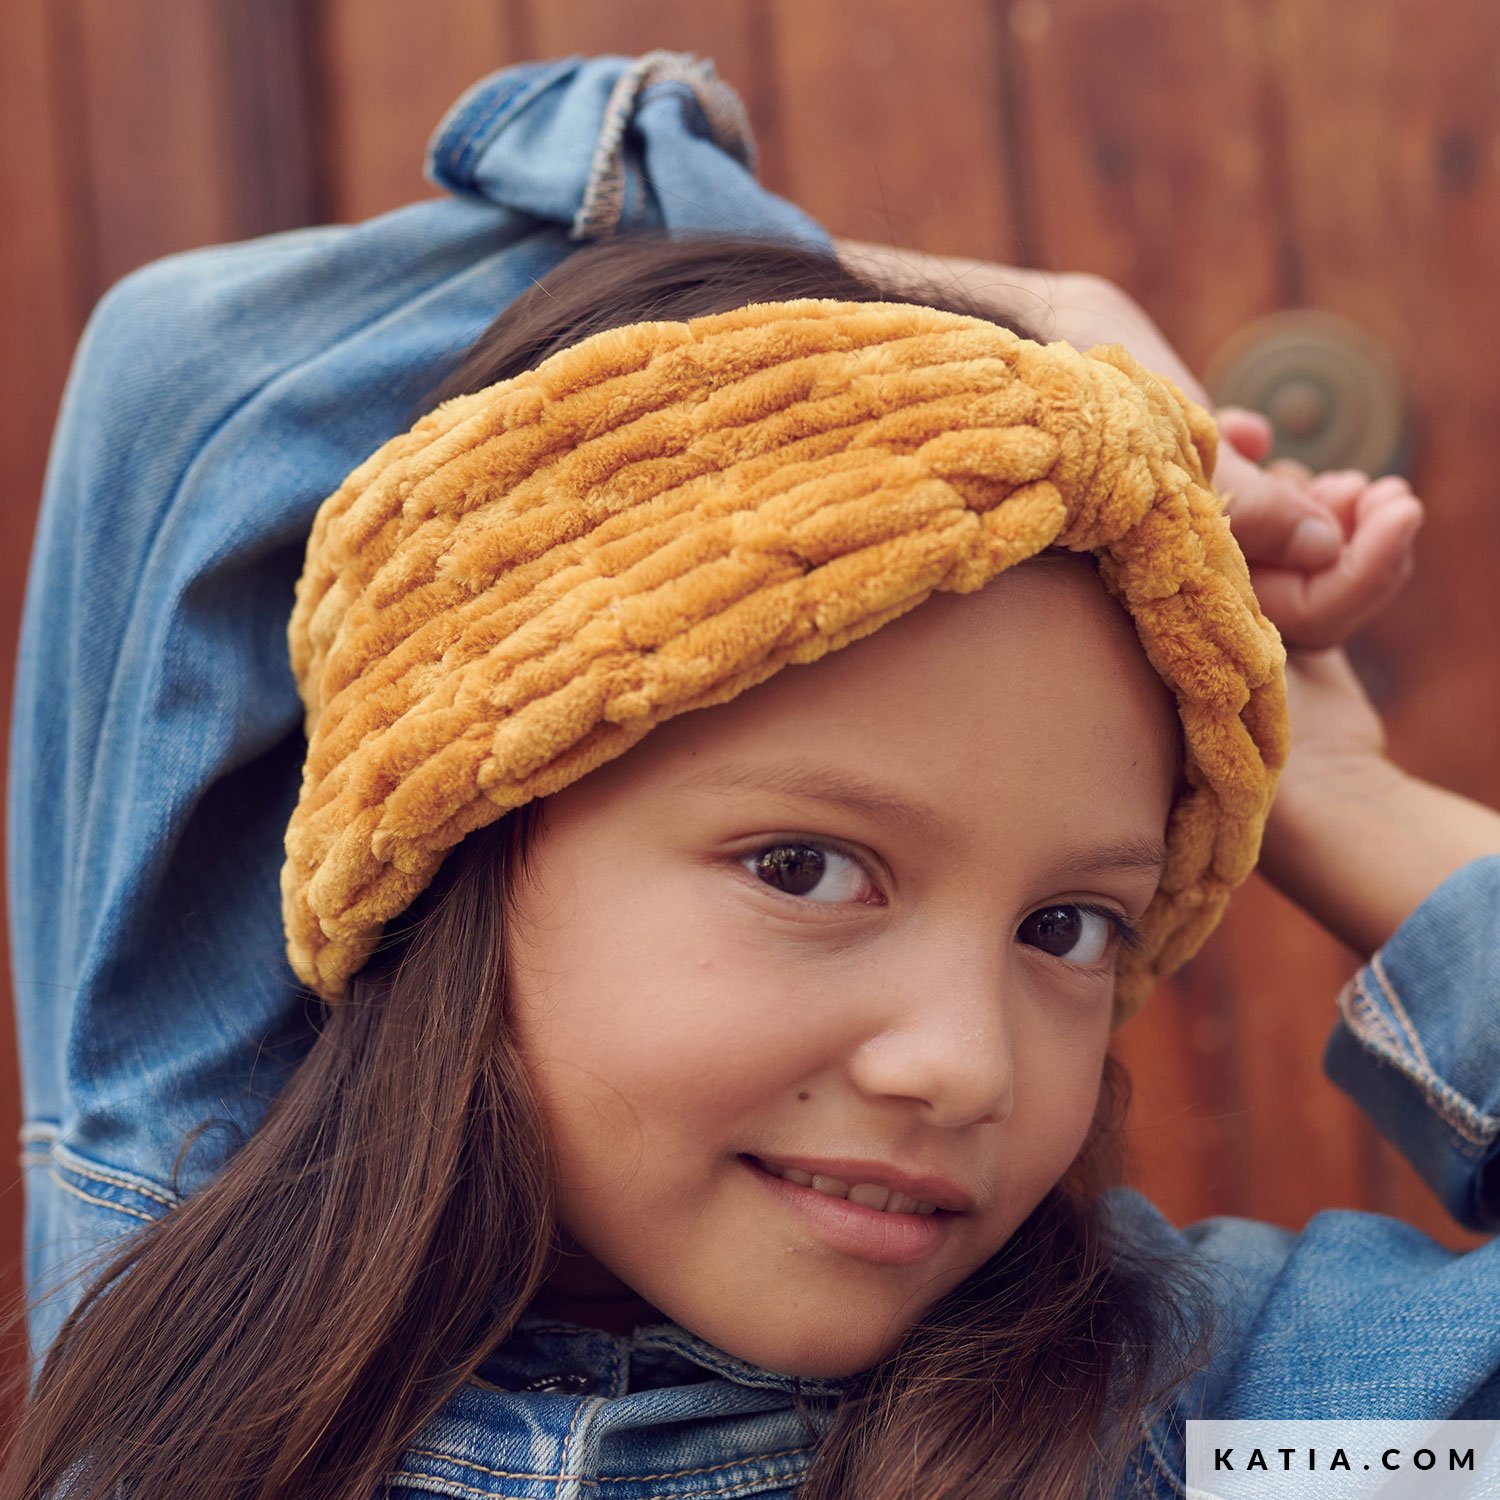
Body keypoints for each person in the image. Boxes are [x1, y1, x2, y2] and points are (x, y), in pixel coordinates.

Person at [4, 49, 1497, 1500]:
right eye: (806, 867)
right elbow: (188, 365)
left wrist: (1340, 790)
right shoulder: (186, 1308)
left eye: (1067, 928)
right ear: (470, 829)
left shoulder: (1198, 1437)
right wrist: (1018, 323)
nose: (963, 1068)